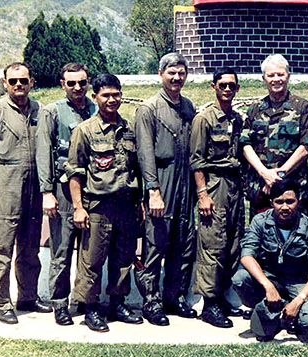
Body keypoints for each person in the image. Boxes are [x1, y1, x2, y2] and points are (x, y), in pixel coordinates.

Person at [0, 62, 51, 324]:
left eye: (23, 80)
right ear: (5, 83)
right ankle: (2, 302)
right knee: (2, 249)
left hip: (33, 191)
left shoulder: (39, 110)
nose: (19, 85)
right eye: (13, 80)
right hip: (5, 190)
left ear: (32, 82)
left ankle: (27, 296)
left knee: (30, 248)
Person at [65, 73, 143, 332]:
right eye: (106, 95)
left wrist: (139, 202)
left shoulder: (128, 129)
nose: (112, 99)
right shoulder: (84, 131)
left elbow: (136, 169)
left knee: (123, 257)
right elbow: (74, 172)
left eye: (116, 94)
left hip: (126, 203)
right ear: (95, 97)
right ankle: (91, 308)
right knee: (92, 259)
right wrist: (78, 208)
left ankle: (118, 304)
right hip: (98, 206)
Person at [134, 53, 197, 326]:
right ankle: (151, 300)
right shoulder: (149, 109)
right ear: (161, 74)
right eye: (171, 72)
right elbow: (145, 153)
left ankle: (174, 297)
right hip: (161, 176)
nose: (176, 78)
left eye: (181, 72)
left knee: (182, 240)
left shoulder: (188, 106)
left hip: (185, 179)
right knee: (156, 241)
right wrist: (153, 191)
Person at [36, 63, 97, 326]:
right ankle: (59, 303)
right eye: (71, 83)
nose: (77, 88)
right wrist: (46, 192)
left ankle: (84, 299)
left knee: (89, 250)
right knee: (61, 250)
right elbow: (43, 153)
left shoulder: (96, 109)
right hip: (62, 190)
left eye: (82, 82)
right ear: (63, 84)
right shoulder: (53, 112)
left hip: (92, 189)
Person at [233, 179, 308, 341]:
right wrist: (268, 285)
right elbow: (246, 256)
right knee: (240, 280)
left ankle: (295, 315)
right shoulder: (260, 221)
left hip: (299, 283)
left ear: (298, 202)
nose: (285, 207)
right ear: (271, 203)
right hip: (271, 279)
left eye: (290, 202)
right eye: (279, 202)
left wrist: (299, 300)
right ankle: (269, 308)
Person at [190, 67, 245, 328]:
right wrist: (203, 194)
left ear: (237, 89)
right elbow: (196, 159)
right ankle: (209, 304)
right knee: (213, 242)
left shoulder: (237, 118)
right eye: (222, 85)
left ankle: (222, 297)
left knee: (232, 242)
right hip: (214, 184)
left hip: (234, 184)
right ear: (213, 87)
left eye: (231, 86)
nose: (227, 89)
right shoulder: (204, 119)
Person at [240, 54, 308, 218]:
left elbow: (306, 146)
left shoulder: (301, 107)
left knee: (297, 237)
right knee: (262, 235)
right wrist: (265, 174)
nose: (276, 79)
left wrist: (279, 175)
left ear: (288, 76)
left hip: (293, 188)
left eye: (280, 74)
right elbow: (246, 145)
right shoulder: (255, 109)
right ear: (264, 78)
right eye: (271, 75)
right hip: (262, 187)